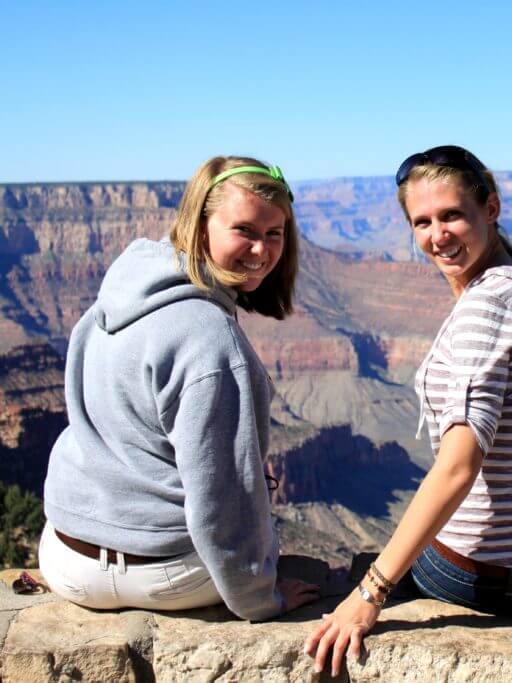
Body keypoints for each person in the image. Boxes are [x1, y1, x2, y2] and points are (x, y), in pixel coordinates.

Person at [305, 145, 512, 676]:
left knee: (359, 570)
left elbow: (458, 467)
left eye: (451, 215)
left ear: (489, 209)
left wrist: (371, 593)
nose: (437, 235)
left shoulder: (487, 306)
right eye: (421, 222)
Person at [40, 156, 319, 621]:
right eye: (244, 230)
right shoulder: (210, 340)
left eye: (275, 233)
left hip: (65, 556)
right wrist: (260, 598)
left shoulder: (119, 294)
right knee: (268, 533)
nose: (262, 250)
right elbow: (221, 499)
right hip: (160, 574)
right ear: (200, 224)